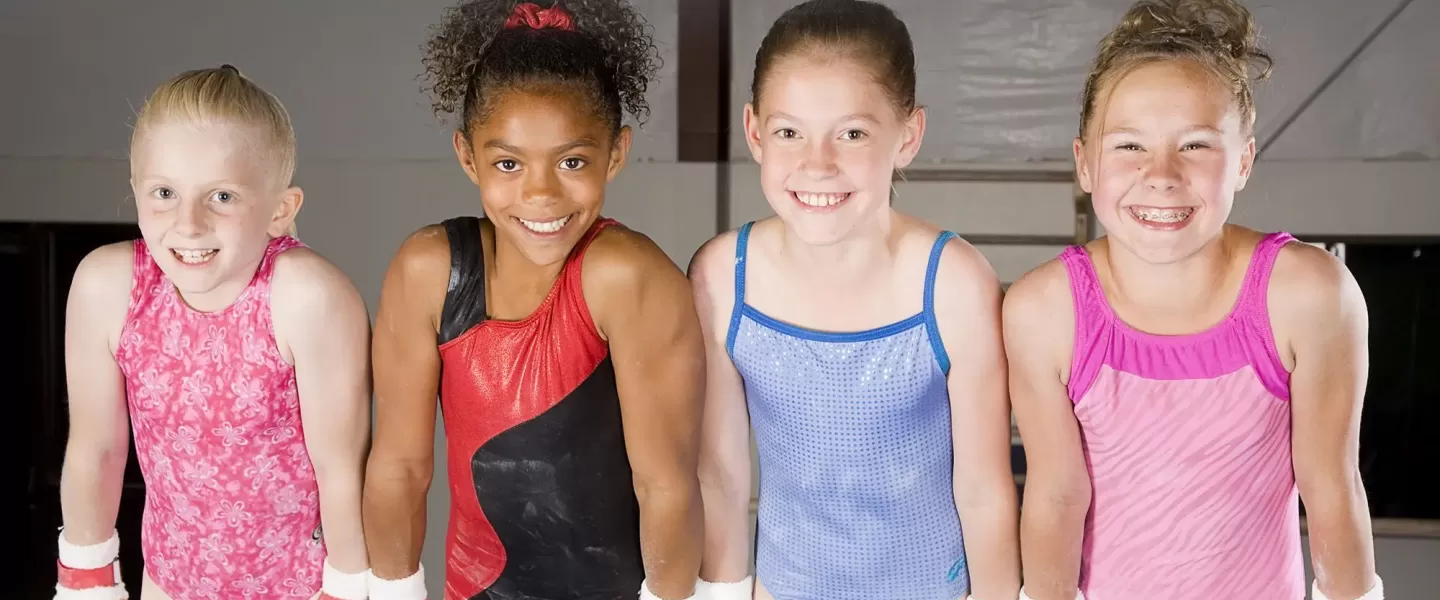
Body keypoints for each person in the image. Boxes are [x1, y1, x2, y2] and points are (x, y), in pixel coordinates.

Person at [1005, 1, 1383, 599]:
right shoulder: (1044, 310)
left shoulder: (1308, 294)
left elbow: (1331, 485)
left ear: (1244, 160)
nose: (1161, 174)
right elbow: (1055, 495)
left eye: (1196, 146)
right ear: (1084, 163)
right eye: (1129, 145)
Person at [360, 1, 707, 599]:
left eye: (572, 161)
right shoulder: (429, 271)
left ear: (616, 153)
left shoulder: (625, 276)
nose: (541, 193)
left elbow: (667, 486)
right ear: (468, 156)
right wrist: (394, 593)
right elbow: (399, 467)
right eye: (509, 163)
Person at [689, 1, 1021, 599]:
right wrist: (724, 592)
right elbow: (722, 474)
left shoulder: (952, 283)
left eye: (852, 133)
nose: (818, 164)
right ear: (754, 132)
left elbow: (985, 488)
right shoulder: (723, 277)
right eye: (790, 132)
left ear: (908, 137)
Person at [54, 65, 372, 600]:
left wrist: (345, 592)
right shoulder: (106, 288)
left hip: (298, 587)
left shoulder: (307, 297)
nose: (189, 224)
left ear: (280, 210)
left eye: (221, 196)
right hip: (169, 584)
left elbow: (341, 469)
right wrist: (85, 585)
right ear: (134, 190)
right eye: (163, 193)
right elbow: (96, 450)